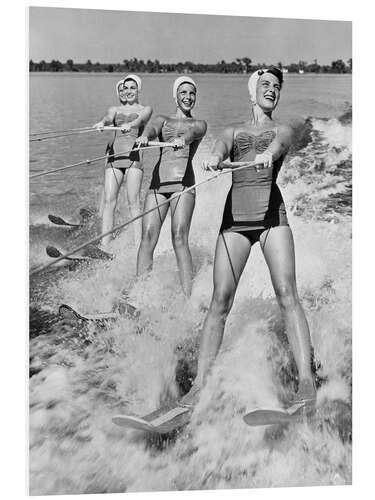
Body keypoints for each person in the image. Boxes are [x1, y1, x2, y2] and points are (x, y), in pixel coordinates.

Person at [182, 67, 316, 410]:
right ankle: (199, 386)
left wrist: (268, 155)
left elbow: (280, 142)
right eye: (265, 85)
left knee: (287, 293)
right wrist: (214, 158)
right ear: (253, 90)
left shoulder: (280, 129)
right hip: (235, 223)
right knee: (220, 301)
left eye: (277, 87)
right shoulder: (232, 130)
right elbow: (221, 146)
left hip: (273, 218)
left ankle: (306, 383)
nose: (271, 90)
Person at [135, 77, 207, 297]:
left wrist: (182, 139)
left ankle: (188, 297)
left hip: (183, 185)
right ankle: (141, 293)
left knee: (179, 236)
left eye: (191, 93)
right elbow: (152, 128)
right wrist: (145, 137)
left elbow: (192, 134)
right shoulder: (162, 119)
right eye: (183, 93)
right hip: (158, 185)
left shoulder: (199, 124)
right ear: (175, 96)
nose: (188, 97)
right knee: (147, 235)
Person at [93, 75, 152, 248]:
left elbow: (141, 120)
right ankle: (105, 245)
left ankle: (138, 245)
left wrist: (132, 124)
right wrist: (102, 122)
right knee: (109, 200)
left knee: (133, 201)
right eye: (125, 88)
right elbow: (109, 117)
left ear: (138, 89)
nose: (128, 91)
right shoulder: (115, 109)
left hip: (133, 159)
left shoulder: (145, 109)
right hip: (114, 159)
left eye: (132, 88)